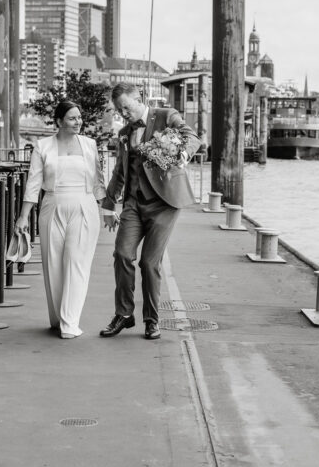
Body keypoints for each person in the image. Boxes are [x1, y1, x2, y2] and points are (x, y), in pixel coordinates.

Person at [100, 83, 203, 340]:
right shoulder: (124, 133)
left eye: (126, 107)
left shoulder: (166, 116)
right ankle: (124, 314)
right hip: (134, 204)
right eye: (119, 110)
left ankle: (151, 319)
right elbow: (120, 171)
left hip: (164, 203)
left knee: (149, 262)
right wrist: (109, 204)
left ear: (140, 99)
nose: (123, 113)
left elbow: (192, 136)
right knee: (122, 254)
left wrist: (183, 154)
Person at [17, 101, 105, 339]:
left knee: (77, 263)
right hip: (52, 205)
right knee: (53, 265)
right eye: (72, 118)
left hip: (84, 205)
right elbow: (34, 182)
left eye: (79, 118)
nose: (78, 122)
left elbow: (98, 180)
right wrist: (23, 216)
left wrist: (106, 209)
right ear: (58, 121)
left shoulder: (89, 144)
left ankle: (69, 321)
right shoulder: (43, 146)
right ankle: (58, 317)